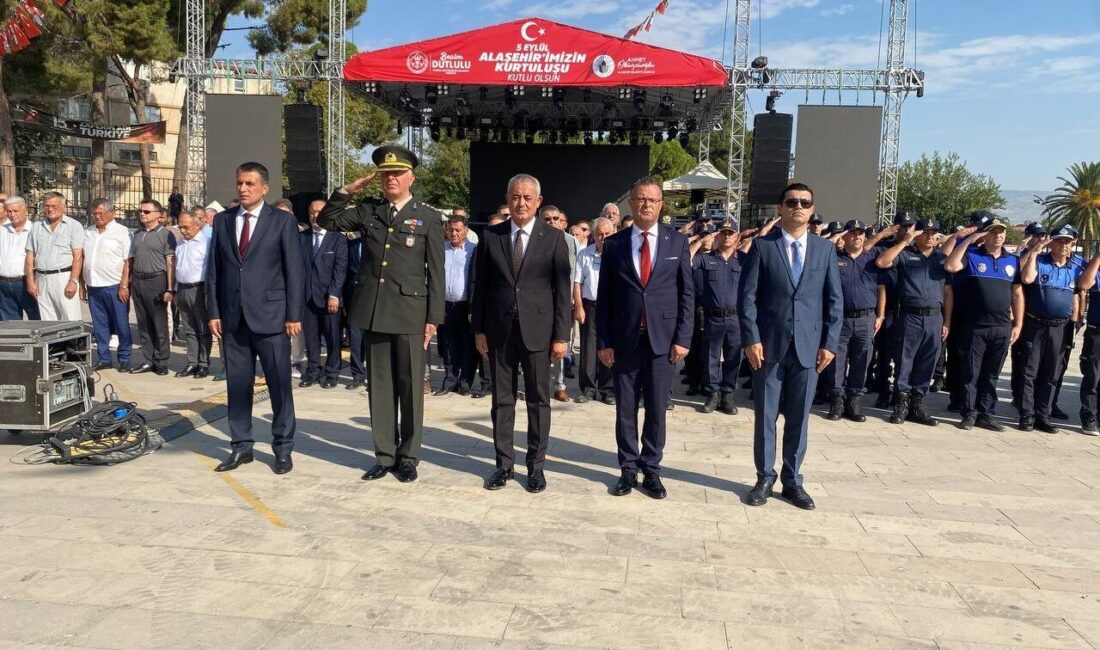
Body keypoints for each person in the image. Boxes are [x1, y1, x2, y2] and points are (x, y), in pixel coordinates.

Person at [318, 145, 444, 483]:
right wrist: (345, 192)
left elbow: (436, 271)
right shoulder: (368, 211)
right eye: (386, 174)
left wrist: (433, 318)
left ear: (411, 177)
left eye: (397, 173)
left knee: (411, 388)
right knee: (381, 387)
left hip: (410, 313)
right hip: (374, 311)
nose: (391, 179)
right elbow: (325, 220)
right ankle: (384, 454)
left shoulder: (428, 217)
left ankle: (408, 456)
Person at [740, 182, 842, 510]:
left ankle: (792, 480)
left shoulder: (825, 250)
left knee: (799, 416)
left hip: (809, 349)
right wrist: (751, 338)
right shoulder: (762, 247)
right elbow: (747, 299)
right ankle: (764, 477)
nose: (798, 206)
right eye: (791, 201)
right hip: (768, 347)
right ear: (780, 208)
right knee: (766, 415)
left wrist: (829, 344)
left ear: (812, 210)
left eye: (804, 202)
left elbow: (834, 302)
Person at [471, 173, 571, 493]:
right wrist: (479, 330)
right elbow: (481, 288)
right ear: (508, 198)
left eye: (528, 198)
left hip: (539, 332)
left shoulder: (553, 238)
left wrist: (562, 335)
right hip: (499, 330)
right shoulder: (491, 236)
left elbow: (561, 291)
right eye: (516, 196)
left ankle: (536, 466)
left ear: (538, 202)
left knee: (538, 401)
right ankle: (503, 465)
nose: (521, 203)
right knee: (502, 400)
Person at [597, 177, 693, 500]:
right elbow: (604, 298)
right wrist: (603, 342)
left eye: (653, 199)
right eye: (640, 199)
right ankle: (627, 467)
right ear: (631, 203)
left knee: (656, 408)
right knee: (625, 408)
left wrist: (683, 337)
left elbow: (687, 295)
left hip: (663, 342)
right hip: (625, 340)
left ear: (661, 204)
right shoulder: (614, 244)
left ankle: (651, 468)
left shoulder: (677, 243)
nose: (646, 204)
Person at [206, 162, 303, 475]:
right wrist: (214, 312)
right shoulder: (223, 221)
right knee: (237, 386)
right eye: (239, 183)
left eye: (249, 183)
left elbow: (294, 271)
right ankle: (241, 446)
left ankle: (283, 448)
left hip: (272, 319)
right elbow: (214, 271)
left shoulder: (282, 222)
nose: (243, 189)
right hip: (233, 320)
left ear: (264, 188)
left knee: (279, 386)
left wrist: (293, 315)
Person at [943, 217, 1023, 431]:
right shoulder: (971, 256)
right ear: (985, 235)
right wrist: (969, 240)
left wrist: (1018, 324)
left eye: (1001, 232)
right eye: (993, 232)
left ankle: (986, 413)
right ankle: (969, 413)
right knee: (971, 372)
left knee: (991, 373)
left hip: (1001, 327)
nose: (998, 235)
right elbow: (950, 265)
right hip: (974, 326)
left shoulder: (1012, 261)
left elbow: (1017, 293)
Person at [876, 218, 951, 426]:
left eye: (934, 232)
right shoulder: (905, 255)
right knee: (904, 360)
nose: (930, 235)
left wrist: (948, 321)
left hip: (935, 317)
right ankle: (901, 403)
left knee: (927, 362)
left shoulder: (941, 259)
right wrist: (904, 242)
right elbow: (882, 262)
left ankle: (917, 404)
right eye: (925, 232)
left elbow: (947, 292)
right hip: (909, 316)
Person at [1018, 224, 1083, 434]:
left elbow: (1084, 288)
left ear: (1073, 244)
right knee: (1030, 371)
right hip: (1036, 324)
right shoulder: (1041, 262)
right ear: (1051, 242)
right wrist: (1035, 252)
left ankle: (1043, 415)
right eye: (1059, 240)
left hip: (1060, 328)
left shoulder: (1077, 266)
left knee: (1051, 374)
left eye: (1068, 241)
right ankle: (1027, 415)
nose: (1063, 245)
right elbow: (1027, 278)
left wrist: (1077, 320)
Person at [825, 220, 886, 422]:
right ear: (845, 236)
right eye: (852, 233)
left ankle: (854, 402)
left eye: (861, 233)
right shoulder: (833, 258)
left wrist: (881, 315)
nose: (857, 237)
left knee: (862, 359)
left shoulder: (872, 258)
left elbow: (881, 289)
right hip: (840, 319)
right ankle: (837, 401)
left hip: (866, 318)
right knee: (837, 361)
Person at [693, 219, 743, 415]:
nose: (727, 236)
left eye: (731, 233)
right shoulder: (706, 258)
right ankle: (712, 393)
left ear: (737, 236)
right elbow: (686, 261)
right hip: (713, 317)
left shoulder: (743, 260)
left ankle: (727, 394)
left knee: (733, 357)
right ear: (718, 235)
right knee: (710, 357)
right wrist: (701, 239)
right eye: (723, 233)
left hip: (735, 318)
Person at [298, 199, 348, 389]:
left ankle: (332, 372)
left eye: (319, 212)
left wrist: (334, 294)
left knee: (332, 337)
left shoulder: (338, 238)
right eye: (312, 212)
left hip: (329, 298)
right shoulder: (302, 237)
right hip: (307, 298)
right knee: (311, 338)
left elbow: (340, 269)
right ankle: (312, 371)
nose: (315, 215)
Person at [80, 199, 133, 371]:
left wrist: (124, 286)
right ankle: (104, 358)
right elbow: (82, 259)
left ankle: (124, 358)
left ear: (112, 213)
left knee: (121, 324)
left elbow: (128, 261)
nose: (97, 216)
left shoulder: (122, 232)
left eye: (101, 213)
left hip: (115, 286)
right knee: (99, 325)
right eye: (94, 213)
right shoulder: (88, 232)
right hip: (94, 286)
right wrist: (82, 284)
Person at [128, 200, 176, 375]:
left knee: (158, 322)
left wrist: (170, 288)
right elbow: (130, 261)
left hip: (156, 280)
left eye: (147, 212)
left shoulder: (166, 234)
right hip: (138, 281)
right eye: (140, 211)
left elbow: (170, 262)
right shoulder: (137, 234)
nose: (142, 214)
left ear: (157, 214)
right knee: (143, 323)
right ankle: (148, 359)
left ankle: (162, 360)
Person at [24, 192, 84, 321]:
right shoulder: (36, 227)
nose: (50, 209)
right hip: (42, 278)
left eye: (54, 206)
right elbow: (30, 257)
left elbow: (78, 256)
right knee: (48, 320)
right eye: (46, 205)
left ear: (64, 206)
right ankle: (55, 343)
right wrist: (30, 281)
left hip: (63, 277)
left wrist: (73, 281)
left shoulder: (74, 226)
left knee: (70, 318)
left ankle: (72, 342)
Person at [574, 217, 614, 405]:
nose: (603, 238)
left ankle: (607, 389)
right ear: (593, 235)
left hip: (613, 308)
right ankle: (588, 388)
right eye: (600, 234)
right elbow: (577, 283)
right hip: (590, 306)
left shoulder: (620, 254)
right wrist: (579, 307)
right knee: (588, 349)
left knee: (609, 348)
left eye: (607, 234)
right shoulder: (584, 254)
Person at [541, 204, 580, 402]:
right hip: (539, 302)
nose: (552, 222)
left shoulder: (570, 241)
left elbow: (573, 273)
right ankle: (540, 386)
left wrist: (573, 298)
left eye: (555, 219)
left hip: (562, 301)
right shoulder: (534, 239)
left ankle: (560, 385)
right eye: (547, 219)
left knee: (561, 343)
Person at [436, 214, 477, 395]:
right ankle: (450, 380)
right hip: (445, 305)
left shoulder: (473, 250)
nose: (453, 233)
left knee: (467, 345)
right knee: (449, 345)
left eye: (458, 230)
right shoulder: (440, 250)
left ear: (466, 231)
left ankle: (465, 381)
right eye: (451, 230)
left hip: (465, 306)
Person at [173, 212, 213, 378]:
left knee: (202, 329)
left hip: (199, 289)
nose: (183, 231)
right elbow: (177, 267)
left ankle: (203, 363)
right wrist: (175, 290)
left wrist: (208, 293)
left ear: (197, 226)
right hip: (182, 289)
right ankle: (192, 362)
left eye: (186, 227)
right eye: (180, 227)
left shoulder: (206, 243)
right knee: (189, 329)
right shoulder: (180, 243)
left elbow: (211, 270)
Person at [0, 197, 40, 321]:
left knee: (37, 320)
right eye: (9, 211)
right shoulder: (2, 230)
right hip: (4, 284)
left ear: (25, 210)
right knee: (10, 324)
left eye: (15, 211)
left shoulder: (35, 230)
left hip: (27, 283)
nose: (12, 215)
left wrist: (32, 281)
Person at [1075, 249, 1100, 435]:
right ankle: (1089, 416)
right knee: (1093, 376)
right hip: (1096, 331)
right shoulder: (1096, 269)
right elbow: (1083, 284)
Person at [343, 229, 368, 390]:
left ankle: (375, 376)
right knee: (355, 336)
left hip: (375, 298)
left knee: (373, 340)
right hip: (353, 297)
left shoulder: (379, 244)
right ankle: (357, 374)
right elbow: (344, 270)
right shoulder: (350, 243)